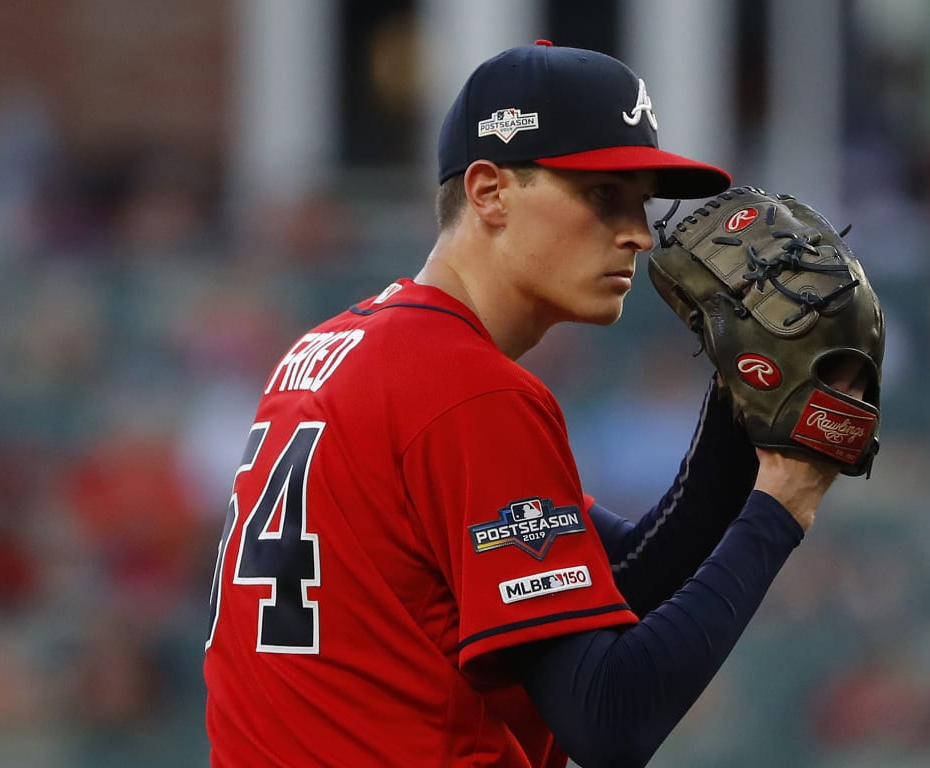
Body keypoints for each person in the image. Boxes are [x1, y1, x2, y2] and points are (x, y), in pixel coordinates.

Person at [204, 40, 857, 767]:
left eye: (642, 199)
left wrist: (739, 404)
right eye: (601, 195)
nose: (639, 232)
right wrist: (784, 505)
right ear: (488, 192)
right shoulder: (466, 389)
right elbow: (611, 719)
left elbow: (620, 578)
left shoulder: (331, 351)